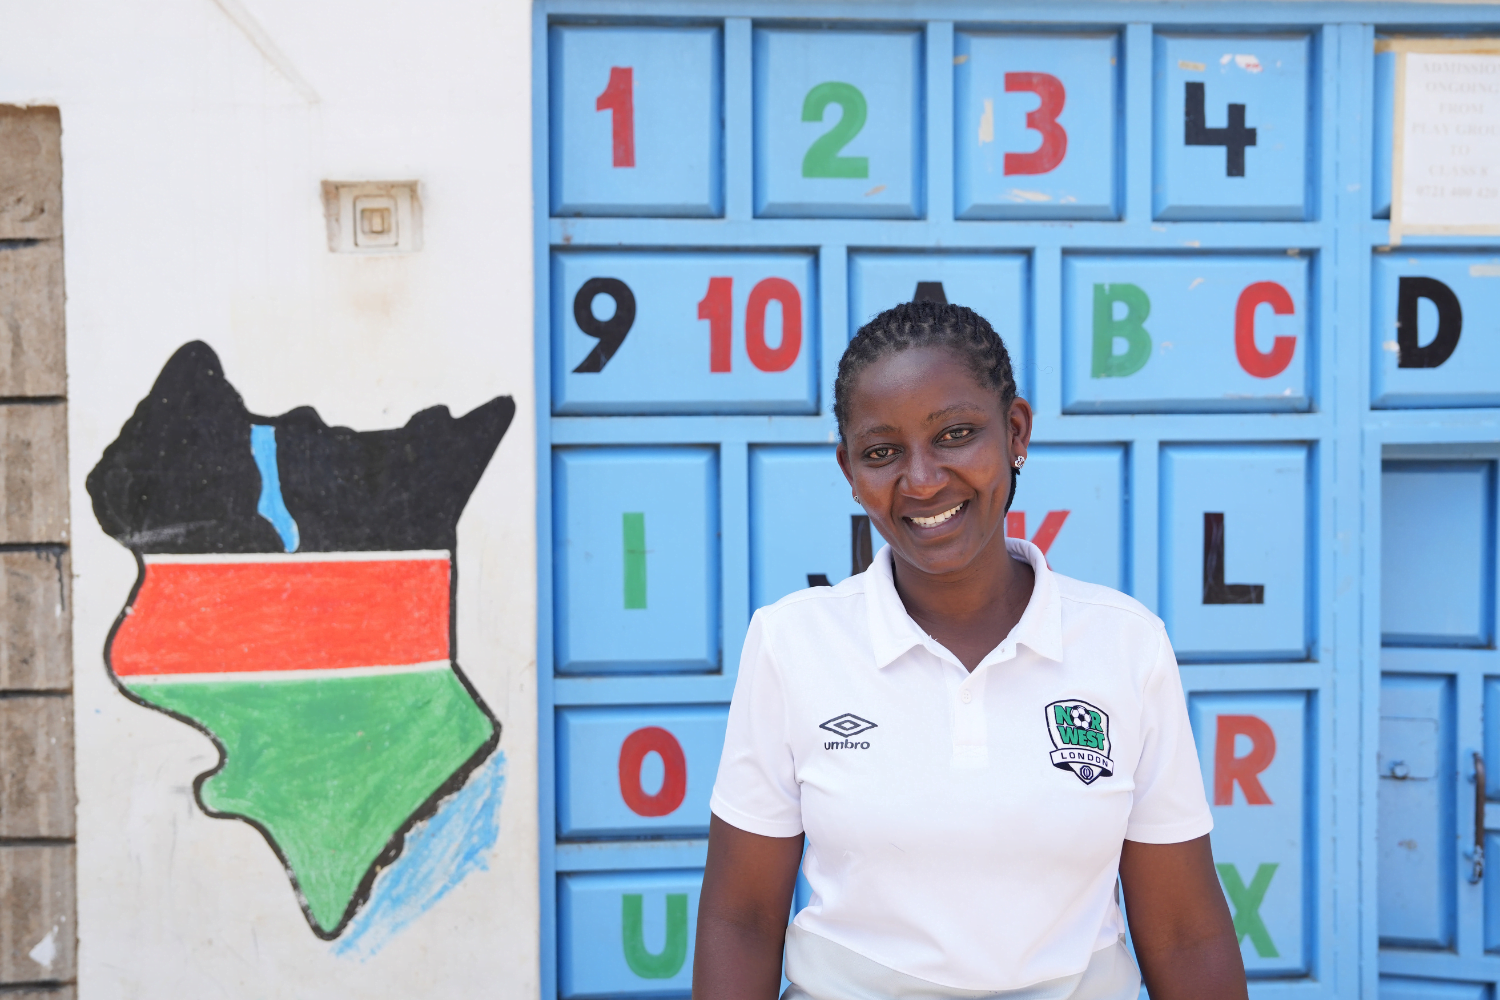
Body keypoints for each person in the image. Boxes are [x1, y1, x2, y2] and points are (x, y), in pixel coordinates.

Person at [693, 301, 1248, 1000]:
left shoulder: (1124, 644)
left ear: (1015, 431)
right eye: (881, 451)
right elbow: (741, 919)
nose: (922, 480)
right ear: (849, 469)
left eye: (956, 435)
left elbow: (1184, 932)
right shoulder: (792, 643)